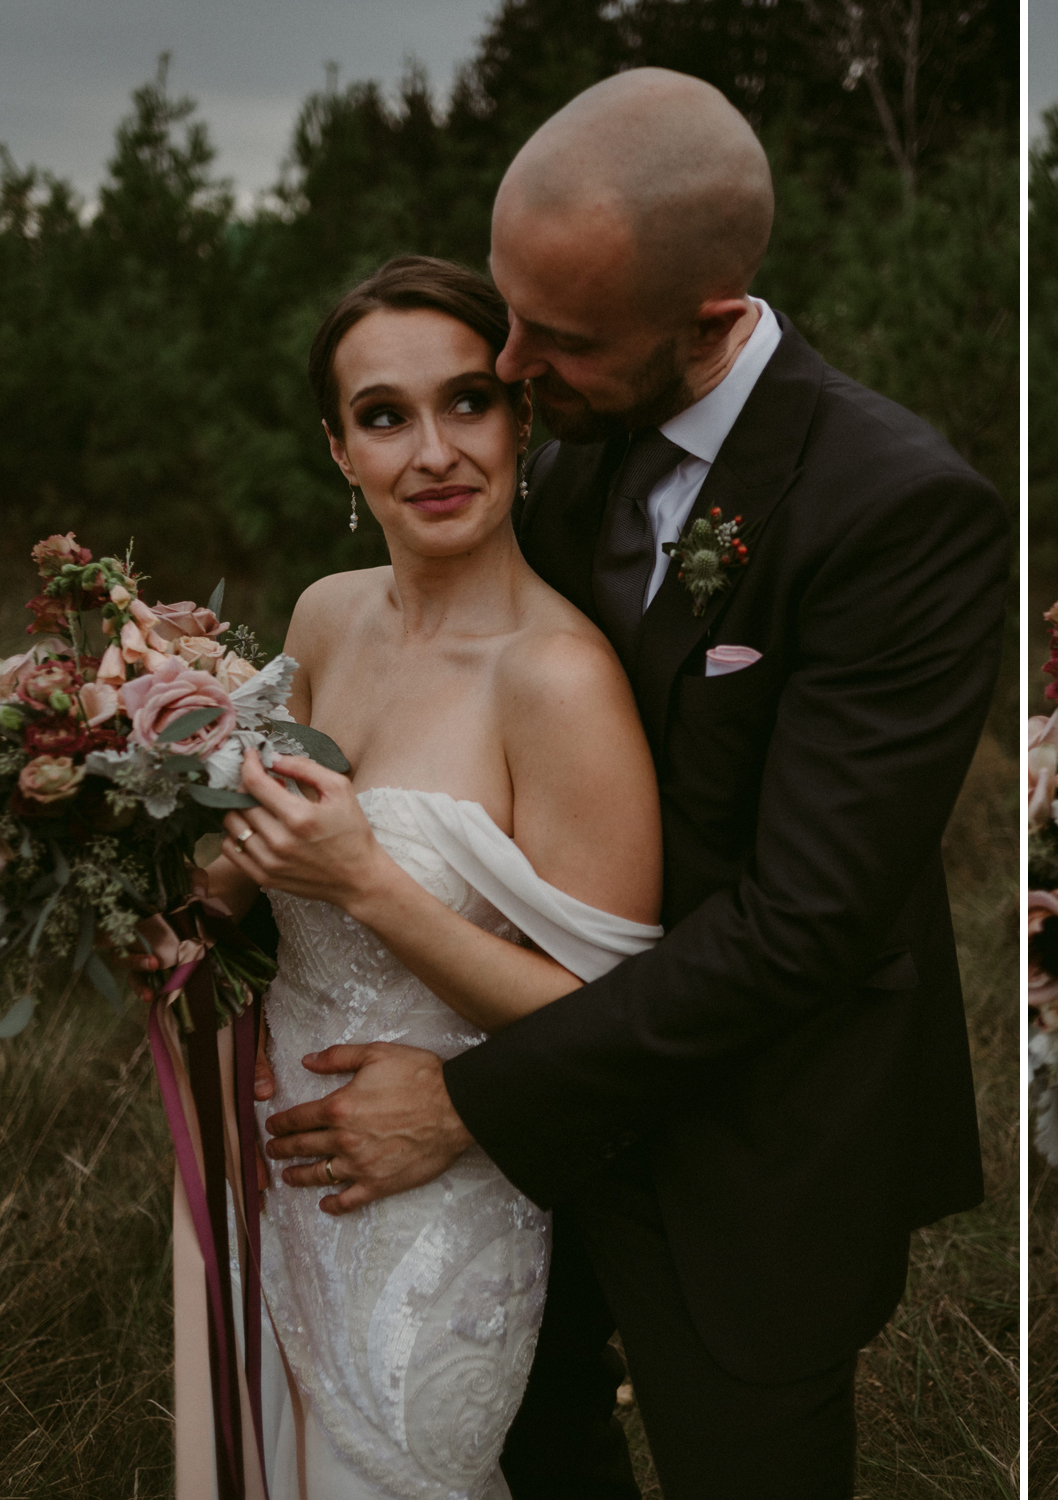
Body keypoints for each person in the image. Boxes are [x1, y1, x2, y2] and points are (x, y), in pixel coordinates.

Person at [258, 69, 1008, 1498]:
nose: (519, 367)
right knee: (530, 1446)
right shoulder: (573, 455)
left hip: (754, 1137)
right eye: (511, 317)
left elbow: (805, 926)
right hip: (529, 1119)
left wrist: (480, 1100)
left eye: (563, 340)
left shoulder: (898, 509)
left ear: (713, 320)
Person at [173, 253, 666, 1497]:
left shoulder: (558, 677)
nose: (433, 450)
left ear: (522, 415)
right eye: (385, 417)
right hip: (270, 1168)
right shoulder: (324, 617)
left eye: (468, 401)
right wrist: (152, 865)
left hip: (433, 1208)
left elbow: (615, 1027)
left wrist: (367, 883)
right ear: (339, 450)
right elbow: (240, 868)